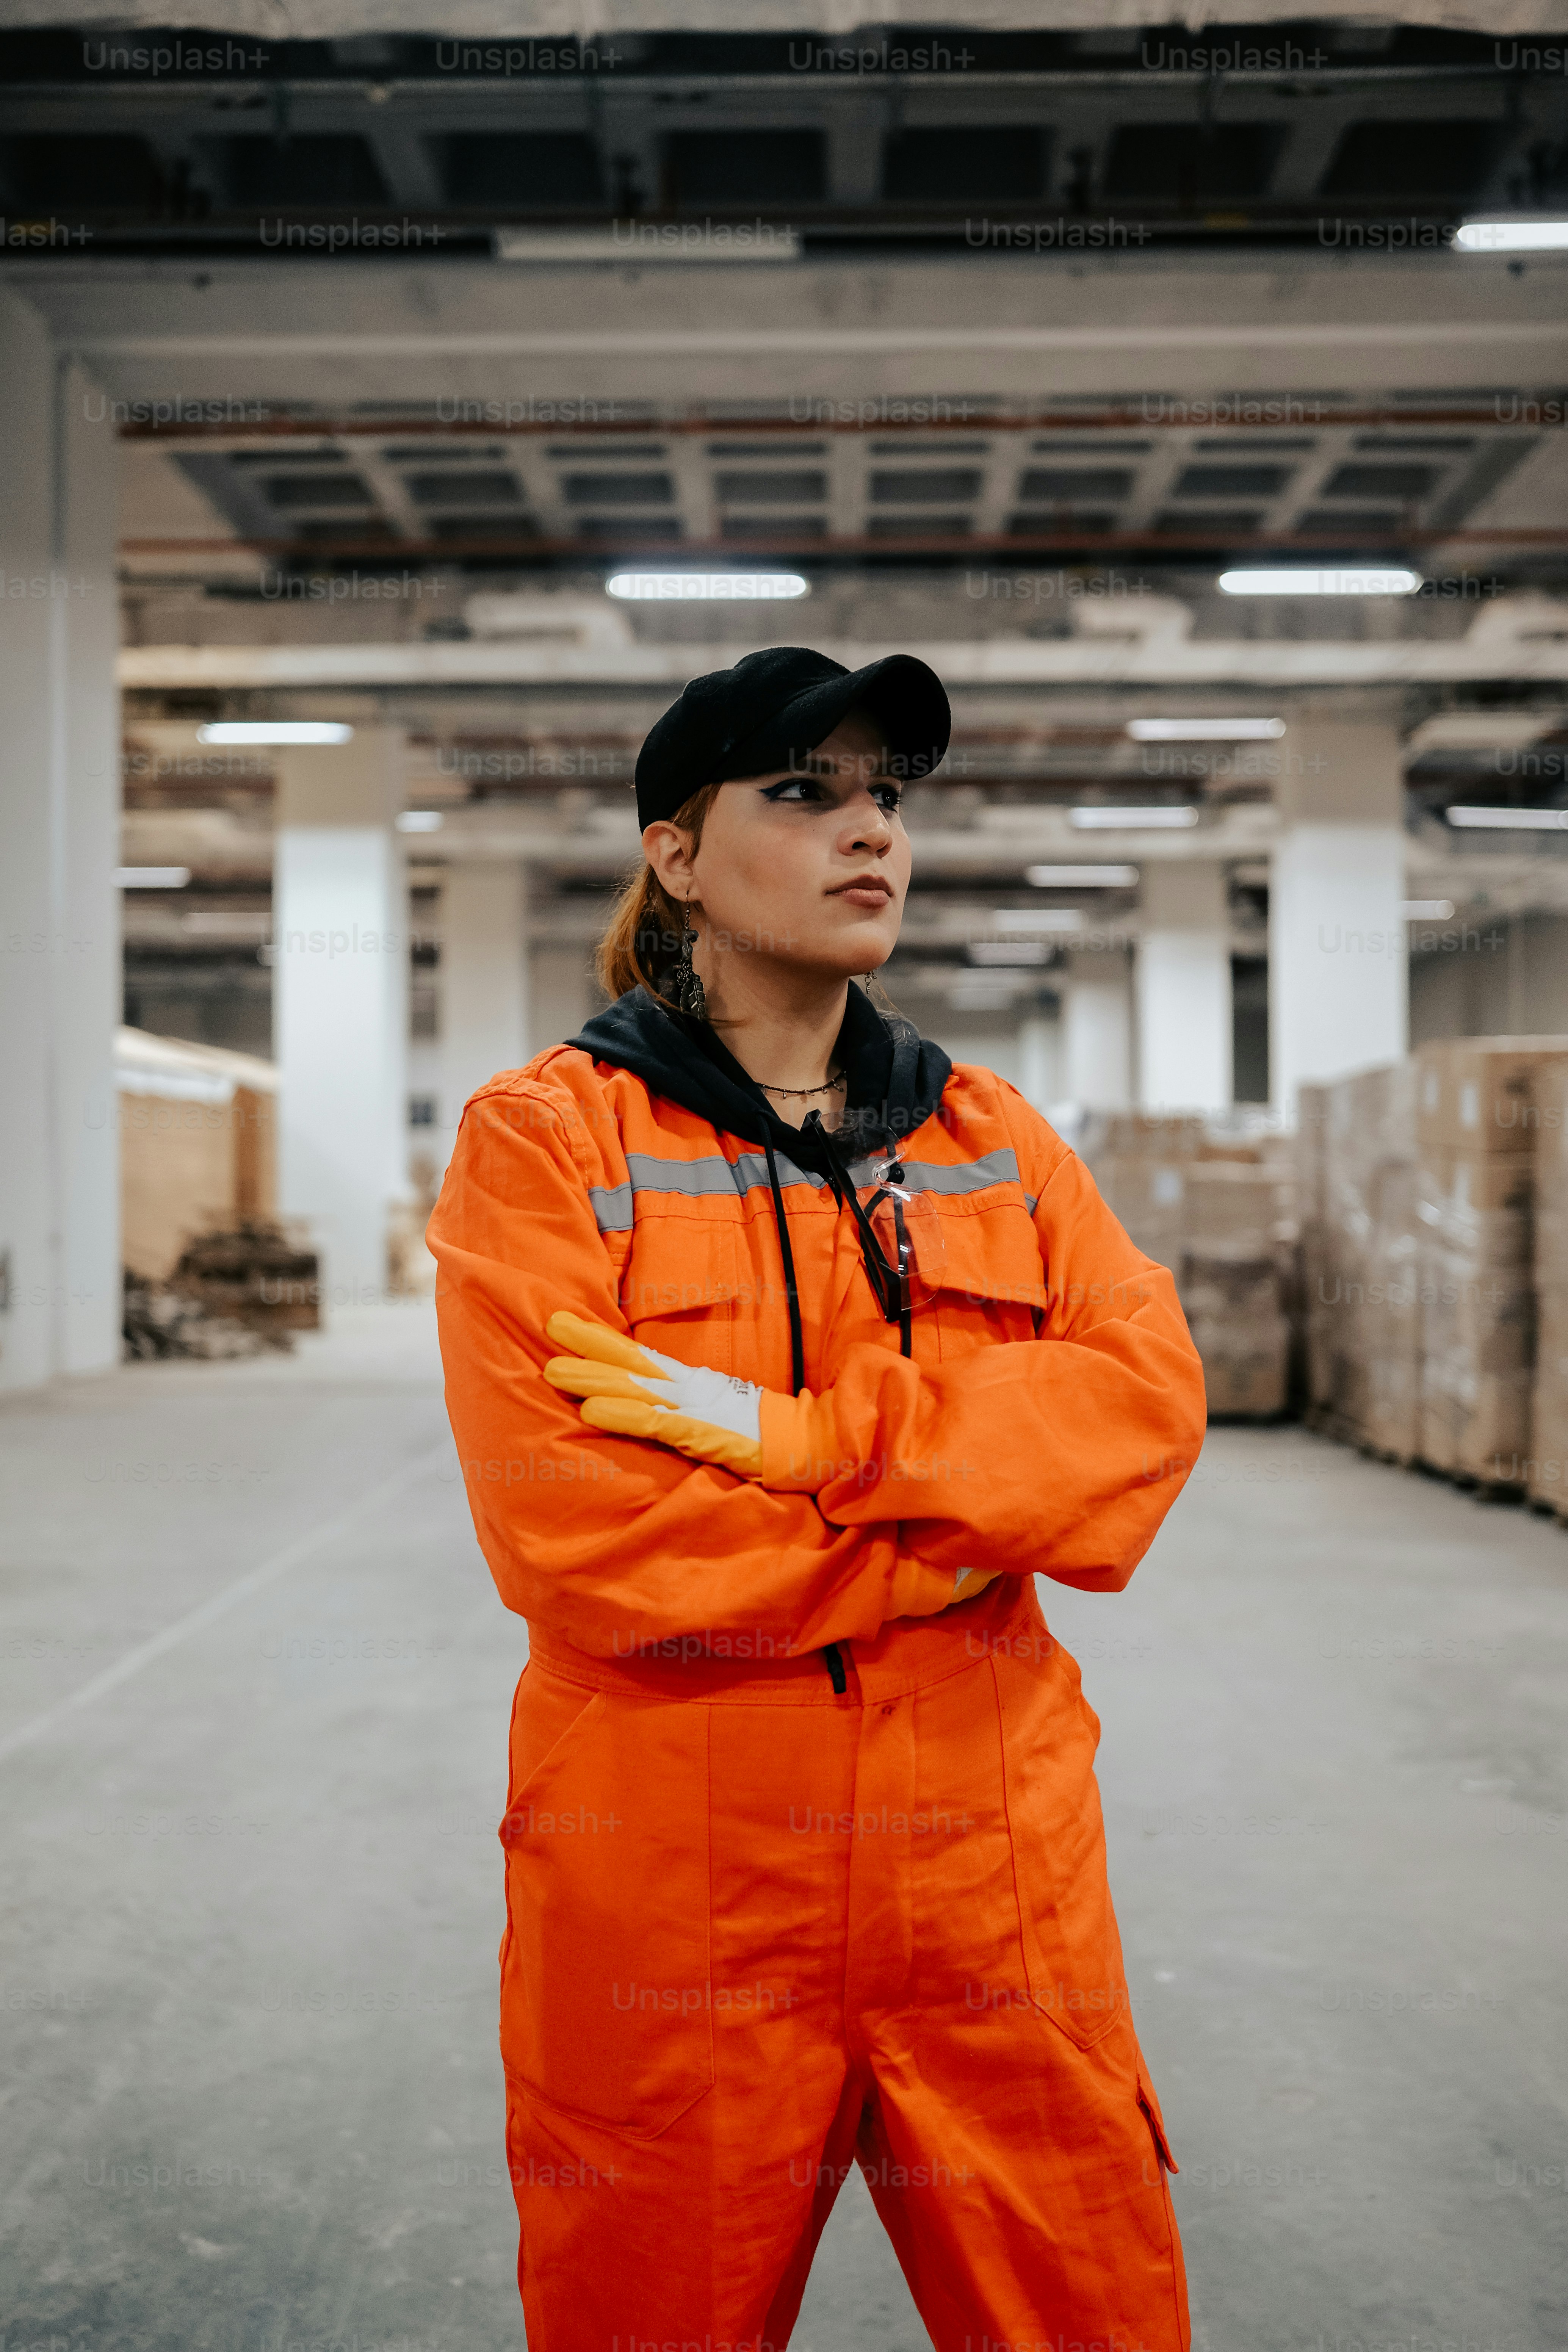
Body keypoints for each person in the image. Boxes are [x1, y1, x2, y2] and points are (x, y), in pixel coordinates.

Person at [428, 645, 1207, 2352]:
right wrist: (961, 1535)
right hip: (676, 1861)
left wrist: (802, 1447)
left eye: (887, 797)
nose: (871, 834)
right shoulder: (550, 1145)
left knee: (1090, 2302)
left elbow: (1142, 1416)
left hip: (992, 1862)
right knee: (651, 2308)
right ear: (676, 854)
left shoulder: (989, 1135)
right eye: (803, 791)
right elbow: (582, 1532)